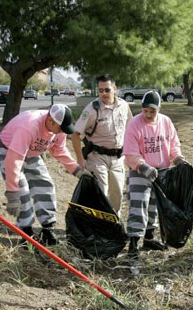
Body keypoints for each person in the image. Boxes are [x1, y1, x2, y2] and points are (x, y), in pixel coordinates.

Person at [0, 104, 88, 247]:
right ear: (50, 120)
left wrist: (77, 170)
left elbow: (59, 150)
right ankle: (26, 233)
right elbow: (14, 160)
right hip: (9, 150)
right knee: (22, 191)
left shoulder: (59, 127)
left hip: (32, 153)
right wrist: (12, 191)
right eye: (60, 129)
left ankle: (47, 228)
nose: (62, 132)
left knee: (45, 184)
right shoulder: (29, 126)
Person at [123, 91, 187, 267]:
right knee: (139, 205)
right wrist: (143, 167)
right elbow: (130, 153)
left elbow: (173, 144)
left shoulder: (166, 122)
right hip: (139, 170)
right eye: (145, 111)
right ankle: (134, 244)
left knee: (155, 206)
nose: (148, 115)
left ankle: (149, 238)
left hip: (161, 171)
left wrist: (178, 158)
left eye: (152, 111)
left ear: (159, 109)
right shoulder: (134, 124)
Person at [71, 74, 132, 217]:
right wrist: (80, 160)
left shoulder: (123, 106)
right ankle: (98, 227)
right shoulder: (92, 109)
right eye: (100, 90)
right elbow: (75, 135)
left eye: (107, 90)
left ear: (115, 89)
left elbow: (131, 129)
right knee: (101, 193)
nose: (104, 94)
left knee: (117, 195)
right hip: (97, 158)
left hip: (118, 158)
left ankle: (114, 224)